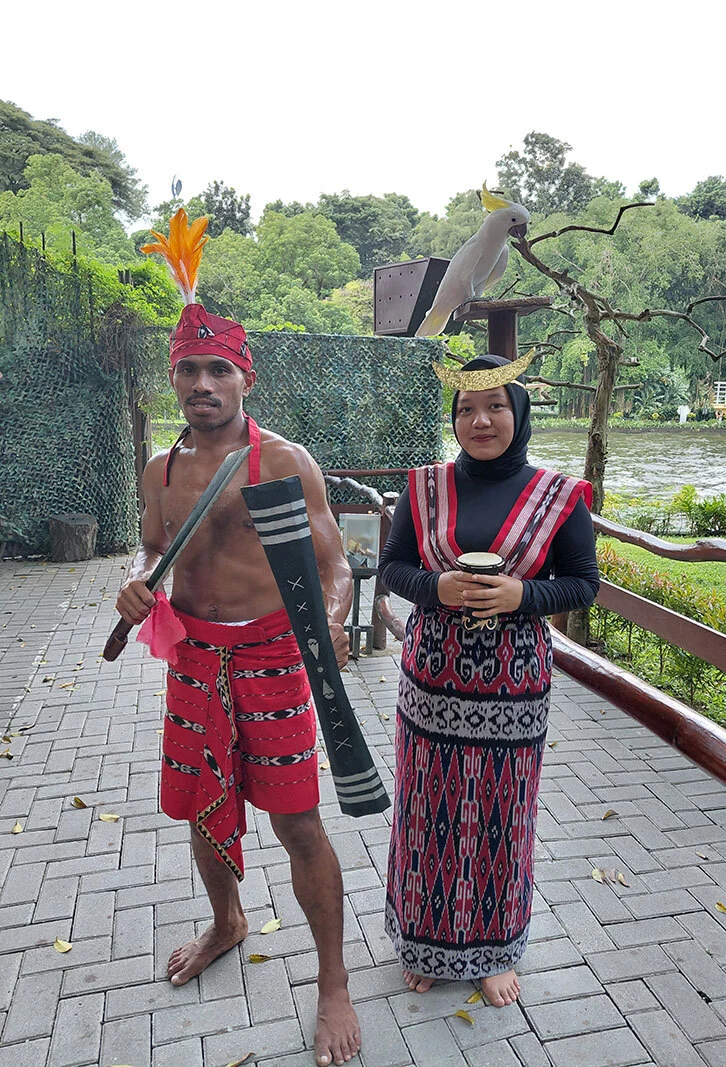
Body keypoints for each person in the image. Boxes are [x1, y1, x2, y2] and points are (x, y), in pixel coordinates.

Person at [115, 289, 360, 1066]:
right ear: (173, 377)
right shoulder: (160, 469)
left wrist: (333, 621)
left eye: (218, 368)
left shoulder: (283, 460)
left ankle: (332, 980)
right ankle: (227, 923)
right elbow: (153, 548)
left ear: (245, 377)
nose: (203, 383)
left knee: (298, 823)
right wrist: (135, 577)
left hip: (272, 659)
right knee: (200, 805)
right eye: (188, 368)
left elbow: (335, 564)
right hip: (193, 659)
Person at [379, 353, 600, 1006]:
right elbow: (392, 568)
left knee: (504, 813)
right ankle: (424, 941)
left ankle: (496, 948)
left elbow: (583, 584)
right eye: (467, 409)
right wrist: (437, 587)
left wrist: (522, 596)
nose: (481, 420)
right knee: (427, 811)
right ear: (454, 419)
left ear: (519, 414)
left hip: (514, 686)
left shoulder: (557, 496)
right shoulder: (425, 488)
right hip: (432, 681)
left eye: (496, 406)